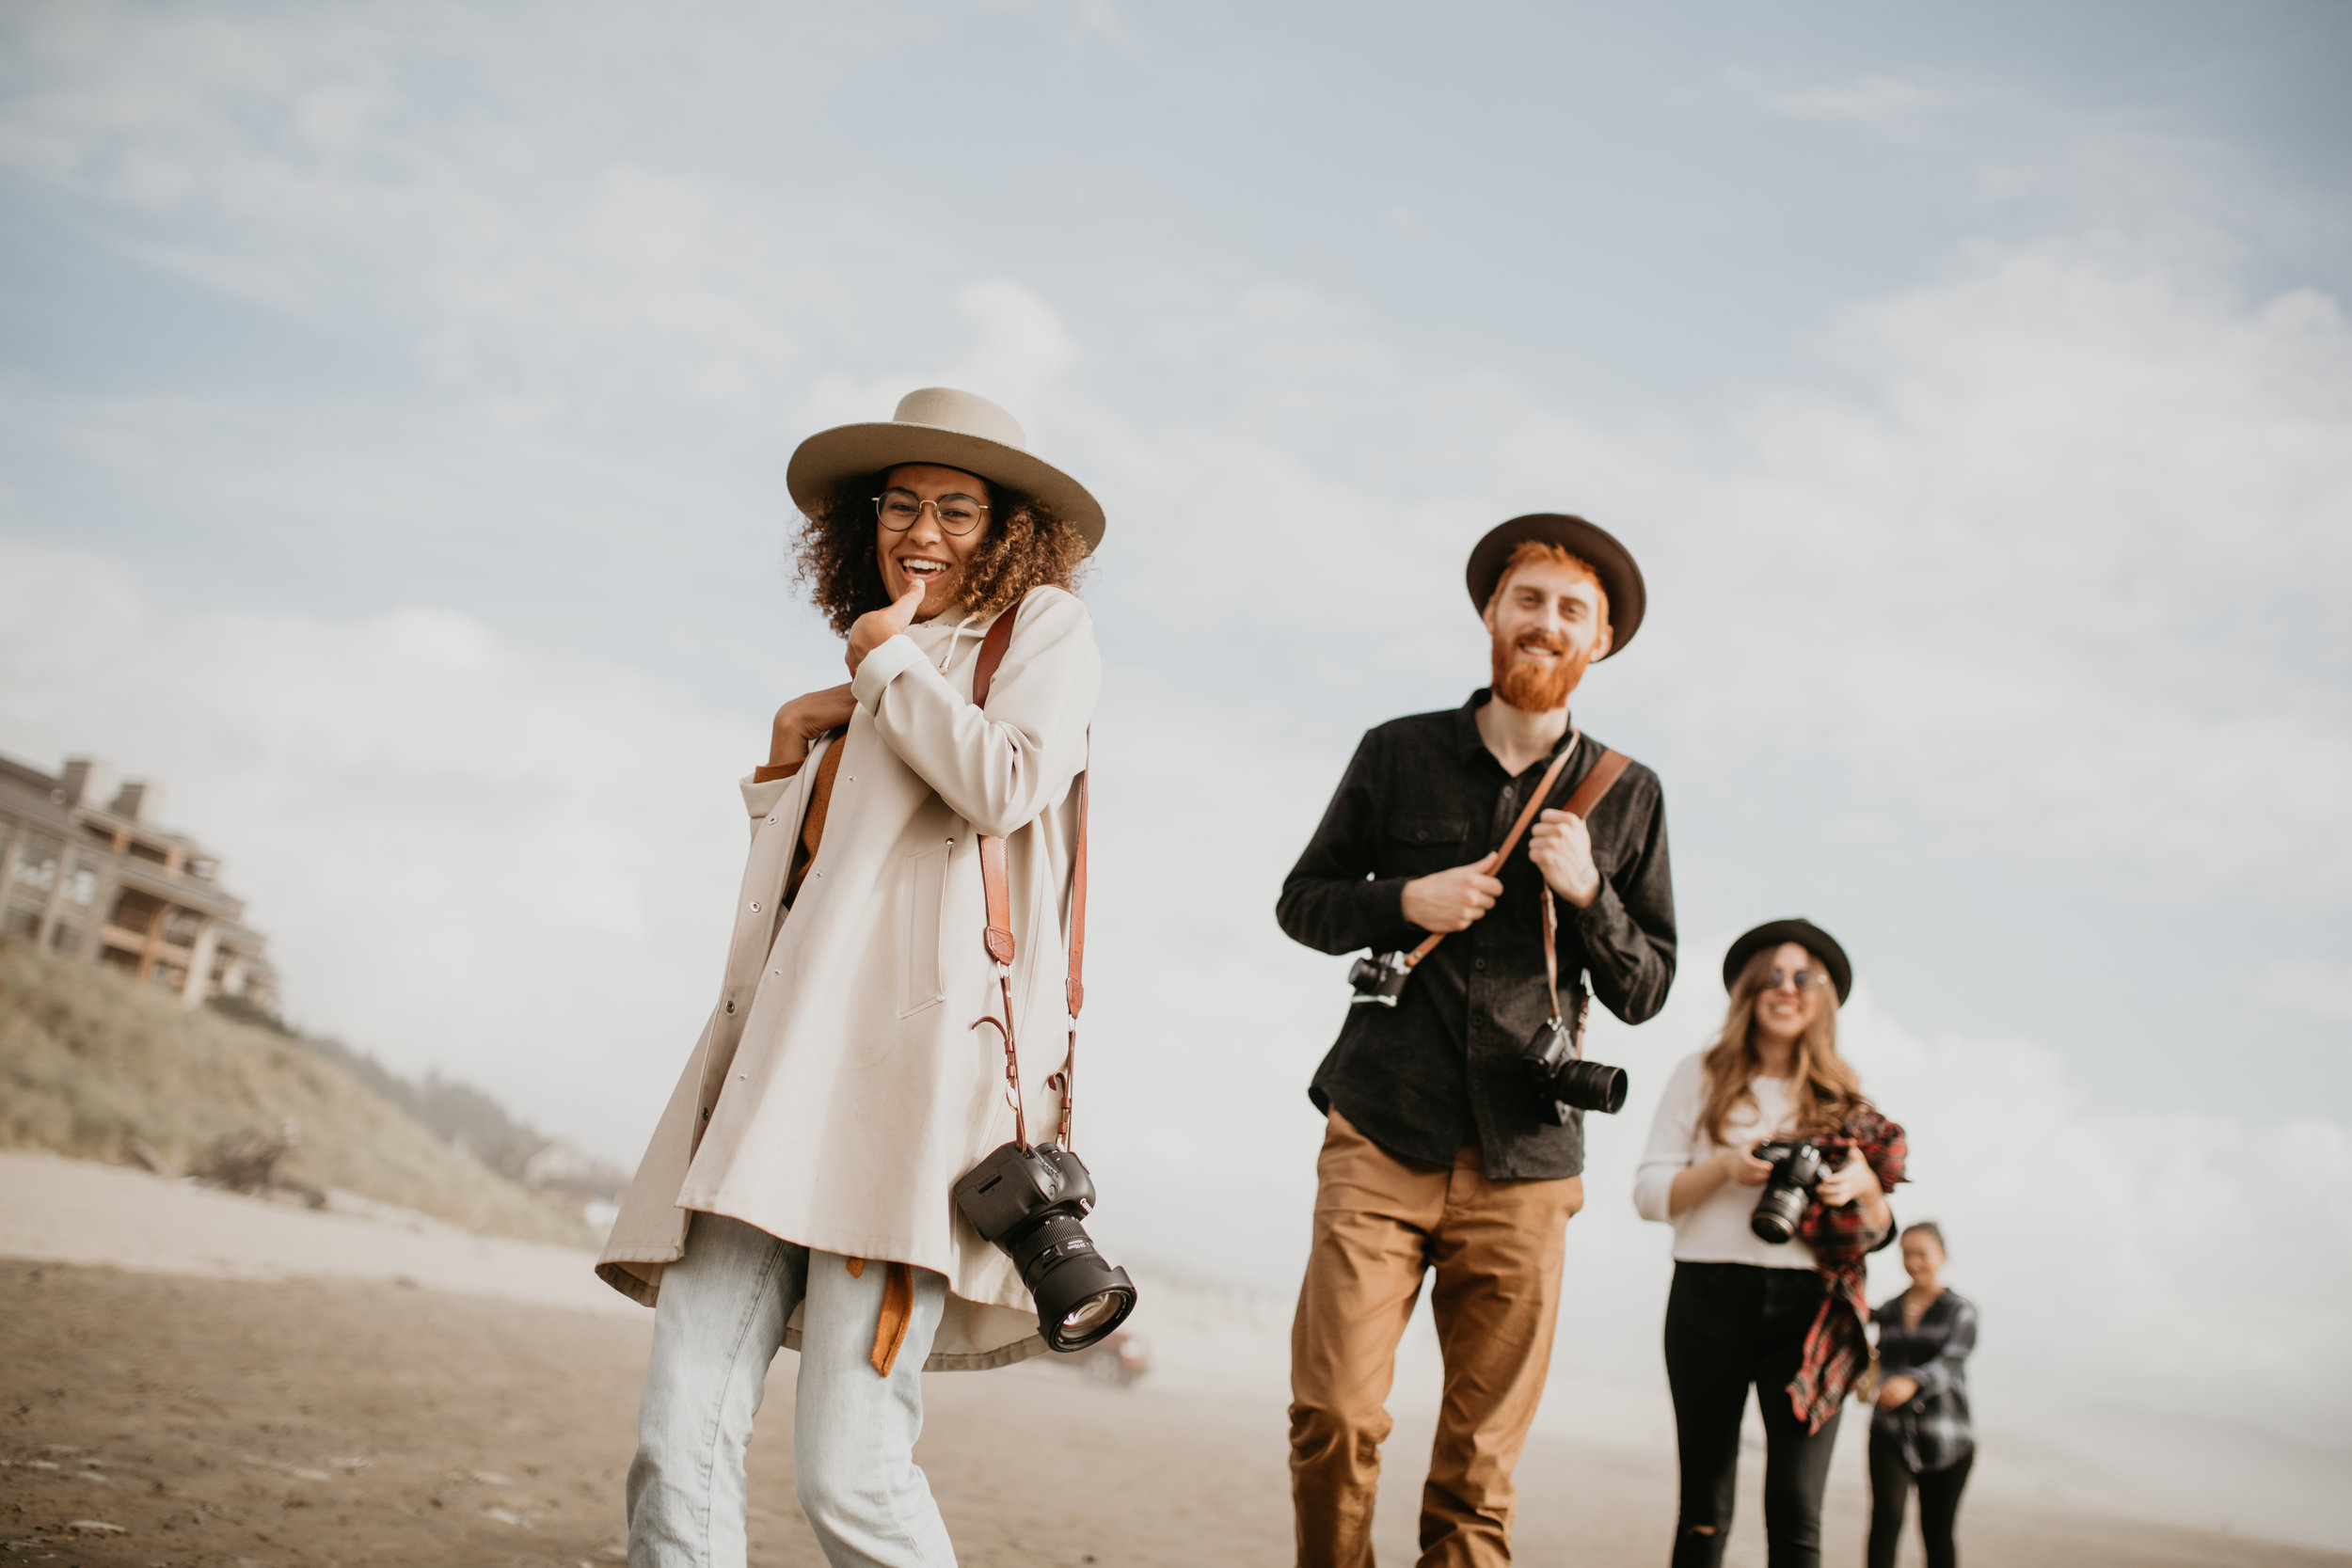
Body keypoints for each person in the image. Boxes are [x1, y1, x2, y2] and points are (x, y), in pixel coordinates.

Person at [594, 388, 1104, 1567]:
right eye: (901, 503)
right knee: (679, 1432)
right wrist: (789, 746)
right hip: (772, 1079)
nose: (921, 529)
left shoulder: (1039, 635)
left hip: (905, 1097)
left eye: (958, 510)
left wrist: (883, 670)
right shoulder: (880, 672)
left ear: (1011, 527)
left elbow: (1010, 783)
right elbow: (809, 902)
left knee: (851, 1472)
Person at [1278, 515, 1677, 1568]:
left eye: (1571, 610)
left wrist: (1588, 890)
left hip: (1528, 1159)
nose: (1547, 622)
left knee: (1478, 1472)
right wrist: (1404, 895)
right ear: (1491, 615)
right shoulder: (1395, 750)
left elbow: (1645, 987)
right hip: (1379, 1128)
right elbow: (1301, 904)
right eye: (1529, 599)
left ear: (1598, 643)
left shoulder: (1629, 793)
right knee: (1333, 1416)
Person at [1632, 918, 1905, 1568]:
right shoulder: (1698, 1073)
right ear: (1748, 990)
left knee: (1795, 1510)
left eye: (1804, 976)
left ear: (1825, 998)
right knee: (1704, 1505)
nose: (1788, 988)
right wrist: (1726, 1166)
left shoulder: (1845, 1097)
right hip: (1707, 1294)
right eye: (1773, 976)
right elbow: (1649, 1195)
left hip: (1812, 1307)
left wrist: (1866, 1185)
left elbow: (1881, 1229)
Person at [1867, 1222, 1977, 1568]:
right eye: (1906, 1254)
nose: (1913, 1262)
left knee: (1936, 1531)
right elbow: (1857, 1322)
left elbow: (1951, 1363)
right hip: (1890, 1431)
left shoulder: (1960, 1310)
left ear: (1941, 1256)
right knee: (1885, 1520)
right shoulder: (1891, 1310)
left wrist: (1911, 1382)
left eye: (1921, 1254)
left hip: (1947, 1437)